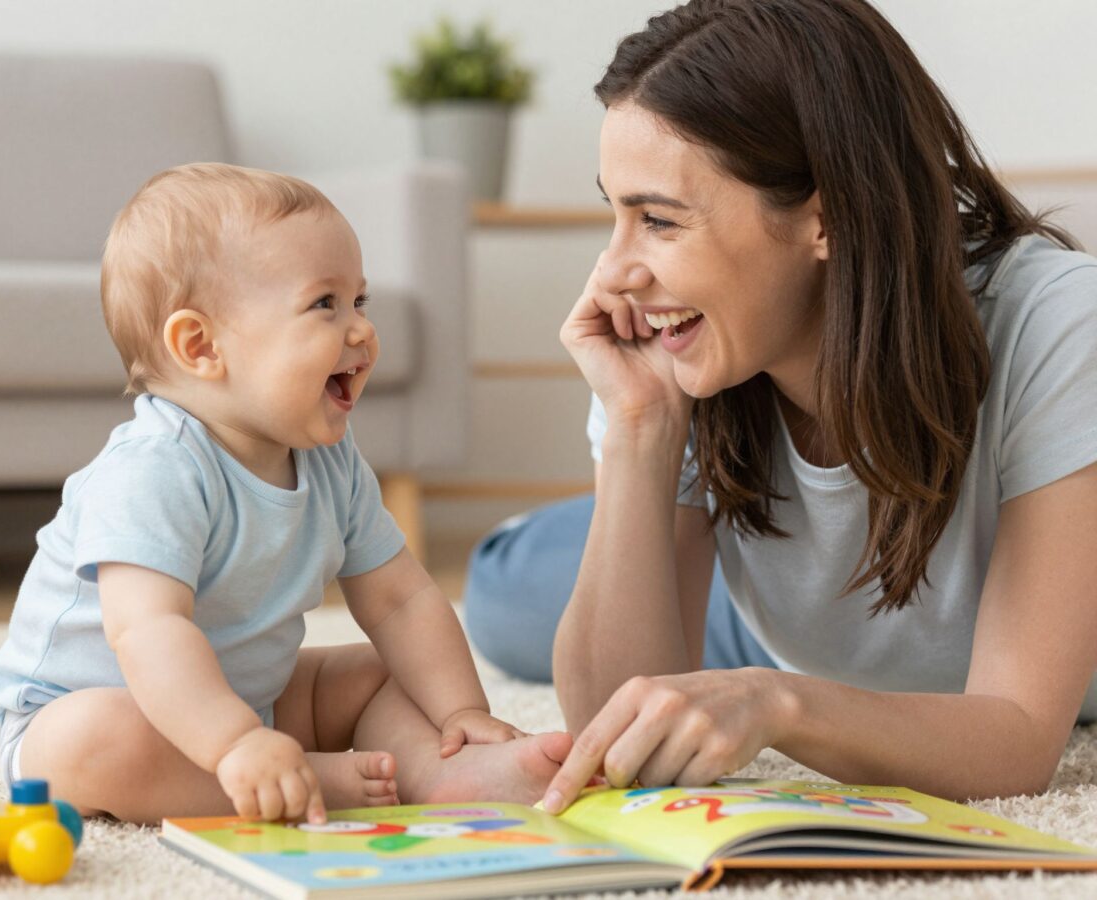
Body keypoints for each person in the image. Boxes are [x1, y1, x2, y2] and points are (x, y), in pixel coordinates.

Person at [462, 0, 1097, 813]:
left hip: (988, 624)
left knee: (580, 613)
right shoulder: (691, 347)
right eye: (613, 213)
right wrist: (637, 431)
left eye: (657, 220)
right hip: (789, 624)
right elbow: (619, 725)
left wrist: (776, 702)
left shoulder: (1055, 322)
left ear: (826, 217)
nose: (614, 272)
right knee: (500, 594)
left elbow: (1015, 739)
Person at [0, 163, 571, 825]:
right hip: (99, 710)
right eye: (325, 304)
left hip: (254, 699)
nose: (360, 330)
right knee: (92, 740)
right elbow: (148, 630)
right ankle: (307, 782)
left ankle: (441, 770)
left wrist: (462, 713)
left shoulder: (330, 462)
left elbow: (402, 600)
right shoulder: (154, 469)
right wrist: (235, 742)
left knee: (381, 673)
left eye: (361, 301)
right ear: (201, 345)